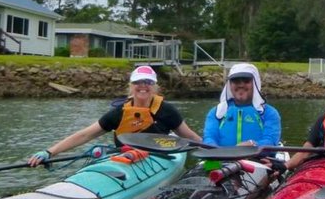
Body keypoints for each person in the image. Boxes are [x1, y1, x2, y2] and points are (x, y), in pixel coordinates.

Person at [28, 65, 201, 166]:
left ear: (154, 87)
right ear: (131, 86)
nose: (143, 86)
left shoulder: (167, 110)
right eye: (138, 82)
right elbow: (85, 134)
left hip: (157, 160)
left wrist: (213, 151)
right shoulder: (119, 113)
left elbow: (190, 136)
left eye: (148, 82)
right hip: (124, 159)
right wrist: (50, 152)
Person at [202, 62, 282, 148]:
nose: (241, 85)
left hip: (257, 158)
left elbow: (270, 141)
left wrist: (254, 144)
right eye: (236, 81)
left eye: (246, 81)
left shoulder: (269, 113)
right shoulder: (216, 113)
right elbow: (209, 138)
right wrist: (214, 150)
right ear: (230, 84)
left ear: (255, 83)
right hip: (222, 158)